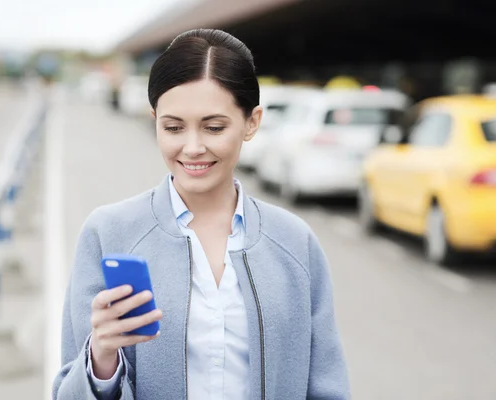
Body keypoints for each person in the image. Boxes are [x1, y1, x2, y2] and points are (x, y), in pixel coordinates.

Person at [52, 28, 350, 400]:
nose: (192, 148)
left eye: (213, 127)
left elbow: (326, 386)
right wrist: (100, 360)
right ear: (154, 120)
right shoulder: (108, 233)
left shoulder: (295, 242)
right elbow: (69, 391)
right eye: (173, 127)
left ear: (252, 122)